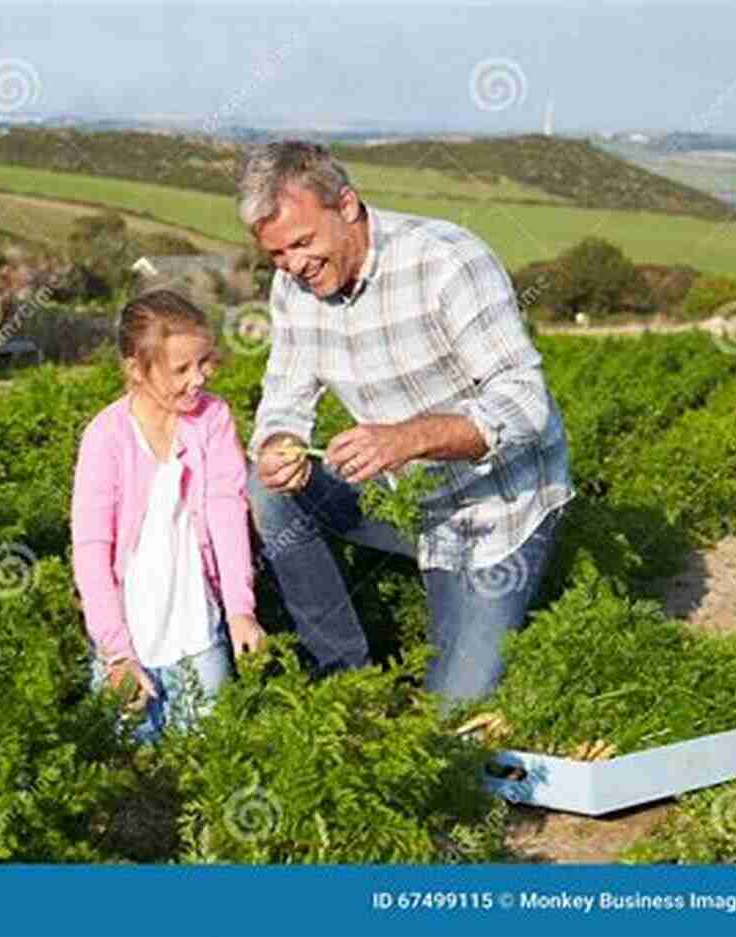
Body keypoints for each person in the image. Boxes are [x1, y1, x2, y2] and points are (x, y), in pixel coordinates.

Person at [237, 141, 574, 710]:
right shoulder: (295, 289)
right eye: (277, 255)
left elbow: (524, 403)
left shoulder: (447, 260)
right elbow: (284, 397)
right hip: (403, 495)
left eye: (301, 243)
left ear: (346, 206)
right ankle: (346, 677)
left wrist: (407, 438)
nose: (293, 265)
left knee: (450, 714)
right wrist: (279, 443)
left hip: (498, 509)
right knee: (265, 488)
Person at [71, 289, 267, 743]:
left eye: (204, 363)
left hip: (199, 638)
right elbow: (91, 549)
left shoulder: (213, 419)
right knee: (126, 775)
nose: (198, 379)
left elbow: (227, 514)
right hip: (129, 646)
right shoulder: (106, 436)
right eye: (181, 369)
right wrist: (116, 653)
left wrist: (240, 610)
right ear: (136, 370)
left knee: (210, 764)